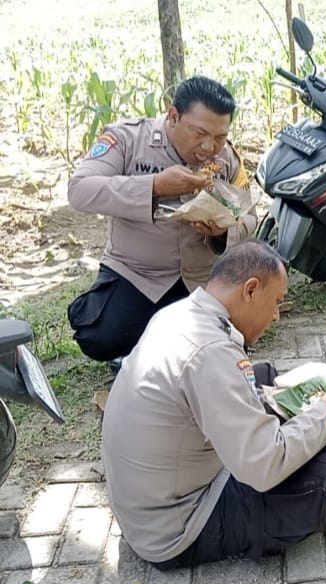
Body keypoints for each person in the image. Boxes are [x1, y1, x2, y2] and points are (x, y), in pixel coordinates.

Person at [101, 239, 326, 569]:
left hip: (147, 505)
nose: (276, 316)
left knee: (265, 376)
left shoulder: (179, 314)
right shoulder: (210, 352)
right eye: (276, 302)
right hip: (178, 527)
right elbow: (263, 466)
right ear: (251, 289)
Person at [66, 75, 259, 369]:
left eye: (220, 137)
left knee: (240, 335)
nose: (209, 147)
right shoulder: (127, 139)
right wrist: (154, 185)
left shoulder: (228, 160)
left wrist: (223, 230)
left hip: (199, 278)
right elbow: (80, 190)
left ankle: (167, 345)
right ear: (173, 116)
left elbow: (250, 219)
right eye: (199, 133)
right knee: (101, 335)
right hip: (138, 272)